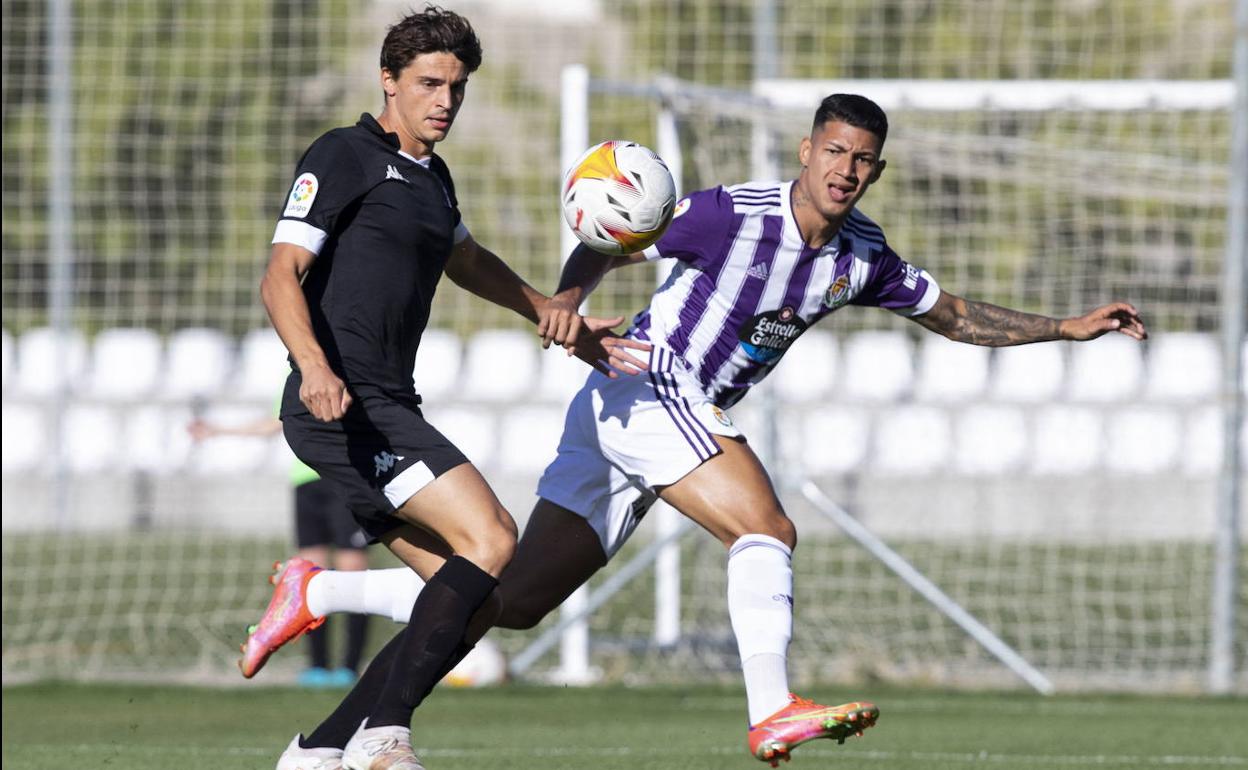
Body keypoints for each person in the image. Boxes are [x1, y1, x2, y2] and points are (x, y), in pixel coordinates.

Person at [247, 93, 1148, 766]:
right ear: (807, 151)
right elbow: (622, 229)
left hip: (634, 419)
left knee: (506, 603)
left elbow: (949, 313)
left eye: (862, 160)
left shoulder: (861, 256)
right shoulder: (731, 214)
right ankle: (770, 708)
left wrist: (1064, 328)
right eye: (833, 151)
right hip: (651, 385)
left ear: (874, 171)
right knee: (766, 526)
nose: (844, 169)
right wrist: (566, 303)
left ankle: (319, 597)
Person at [251, 6, 647, 770]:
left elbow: (465, 261)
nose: (444, 100)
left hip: (386, 403)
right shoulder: (343, 154)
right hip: (347, 404)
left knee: (468, 601)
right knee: (494, 537)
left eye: (457, 88)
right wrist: (316, 368)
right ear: (389, 81)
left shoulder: (432, 178)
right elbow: (279, 277)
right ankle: (385, 734)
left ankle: (318, 749)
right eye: (429, 82)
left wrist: (555, 313)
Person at [188, 413, 369, 688]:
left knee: (352, 572)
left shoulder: (350, 370)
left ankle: (350, 667)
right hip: (306, 482)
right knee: (309, 576)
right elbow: (279, 421)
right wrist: (220, 430)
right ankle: (317, 666)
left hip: (345, 476)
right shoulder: (295, 373)